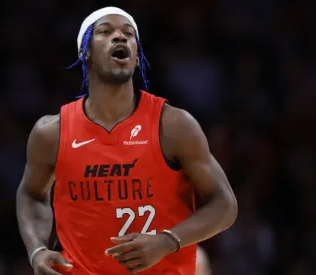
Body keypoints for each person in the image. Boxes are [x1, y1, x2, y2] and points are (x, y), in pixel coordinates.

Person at [16, 6, 237, 275]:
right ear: (85, 52)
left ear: (135, 58)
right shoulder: (52, 132)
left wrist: (167, 241)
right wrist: (37, 249)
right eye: (105, 32)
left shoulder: (173, 125)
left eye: (128, 34)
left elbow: (225, 204)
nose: (120, 37)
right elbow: (30, 194)